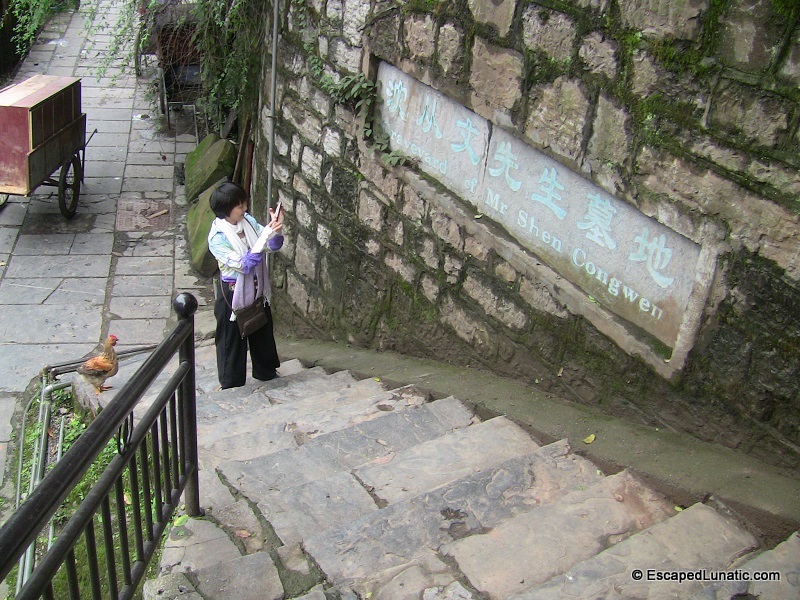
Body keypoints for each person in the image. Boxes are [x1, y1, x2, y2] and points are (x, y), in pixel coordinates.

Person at [208, 181, 284, 389]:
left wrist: (275, 232)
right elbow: (245, 264)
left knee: (262, 328)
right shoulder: (218, 238)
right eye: (240, 206)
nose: (245, 209)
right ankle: (231, 383)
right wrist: (265, 236)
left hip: (257, 288)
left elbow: (270, 246)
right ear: (226, 210)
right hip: (233, 292)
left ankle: (266, 371)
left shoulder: (247, 221)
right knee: (231, 339)